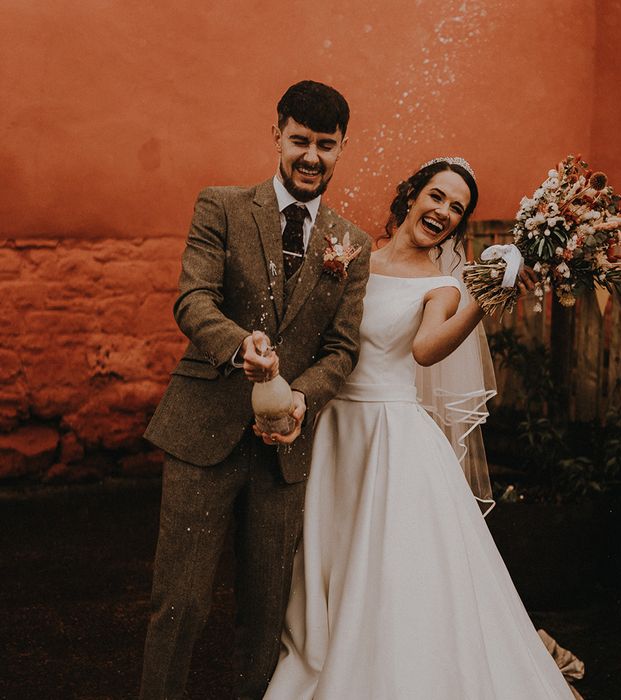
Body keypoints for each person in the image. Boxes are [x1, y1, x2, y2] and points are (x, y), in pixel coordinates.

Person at [262, 157, 577, 699]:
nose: (444, 211)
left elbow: (428, 350)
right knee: (327, 551)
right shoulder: (352, 255)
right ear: (412, 195)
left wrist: (482, 298)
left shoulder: (442, 286)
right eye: (437, 196)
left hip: (391, 435)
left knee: (390, 562)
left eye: (457, 208)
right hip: (333, 425)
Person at [139, 80, 371, 700]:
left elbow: (342, 350)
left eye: (326, 144)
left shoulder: (353, 244)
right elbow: (193, 298)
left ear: (343, 147)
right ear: (277, 134)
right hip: (203, 431)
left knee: (266, 616)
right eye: (300, 140)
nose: (311, 157)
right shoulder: (221, 206)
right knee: (181, 604)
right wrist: (242, 345)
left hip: (284, 451)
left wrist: (301, 398)